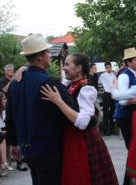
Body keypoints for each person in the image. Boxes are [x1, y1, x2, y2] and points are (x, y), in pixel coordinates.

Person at [5, 34, 78, 185]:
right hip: (49, 149)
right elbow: (73, 112)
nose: (49, 55)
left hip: (27, 148)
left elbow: (10, 117)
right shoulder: (49, 82)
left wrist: (14, 143)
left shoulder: (15, 82)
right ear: (39, 57)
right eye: (46, 52)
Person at [40, 53, 118, 185]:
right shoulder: (68, 85)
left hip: (82, 140)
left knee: (81, 176)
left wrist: (58, 101)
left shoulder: (87, 89)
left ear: (78, 68)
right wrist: (23, 69)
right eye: (64, 64)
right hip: (70, 137)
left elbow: (83, 122)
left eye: (67, 64)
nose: (64, 68)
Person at [112, 47, 136, 185]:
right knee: (134, 151)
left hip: (131, 116)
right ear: (129, 62)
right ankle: (130, 181)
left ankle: (133, 179)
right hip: (125, 117)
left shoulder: (135, 74)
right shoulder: (125, 75)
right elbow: (123, 99)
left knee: (135, 151)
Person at [98, 62, 117, 136]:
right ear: (105, 68)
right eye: (107, 67)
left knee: (112, 112)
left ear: (111, 67)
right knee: (106, 113)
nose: (109, 68)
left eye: (110, 67)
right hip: (106, 94)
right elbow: (99, 83)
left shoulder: (114, 75)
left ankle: (112, 129)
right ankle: (106, 130)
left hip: (113, 94)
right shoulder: (102, 75)